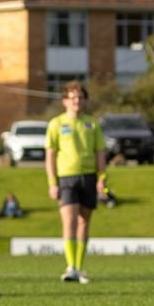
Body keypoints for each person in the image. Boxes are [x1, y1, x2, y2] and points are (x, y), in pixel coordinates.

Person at [45, 81, 107, 284]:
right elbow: (50, 155)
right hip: (66, 178)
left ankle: (80, 267)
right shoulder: (56, 124)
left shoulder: (93, 123)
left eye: (80, 97)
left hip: (88, 176)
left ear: (86, 101)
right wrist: (52, 182)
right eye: (73, 98)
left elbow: (100, 152)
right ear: (65, 101)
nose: (77, 101)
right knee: (69, 221)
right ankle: (70, 267)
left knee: (84, 222)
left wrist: (102, 177)